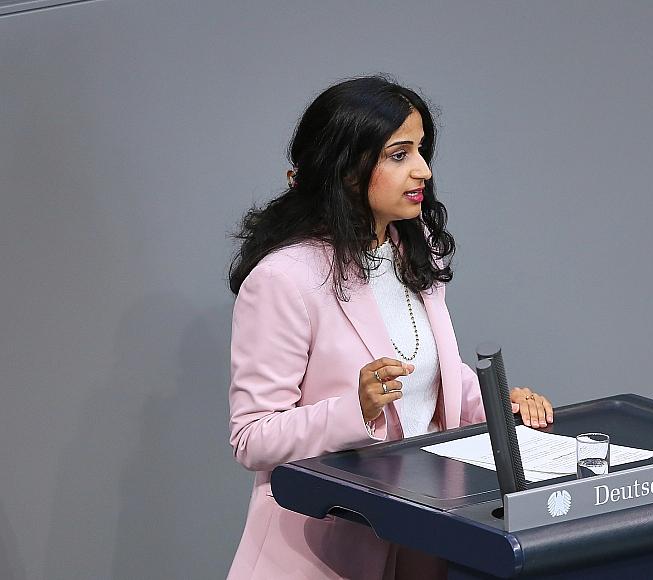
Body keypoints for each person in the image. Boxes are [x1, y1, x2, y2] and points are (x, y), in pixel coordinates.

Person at [226, 75, 554, 580]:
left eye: (421, 150)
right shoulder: (283, 278)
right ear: (346, 169)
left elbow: (430, 380)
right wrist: (354, 410)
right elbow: (252, 436)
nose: (423, 169)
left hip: (420, 541)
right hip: (320, 554)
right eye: (399, 155)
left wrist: (499, 408)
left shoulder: (415, 249)